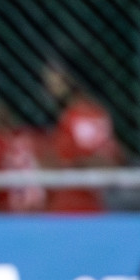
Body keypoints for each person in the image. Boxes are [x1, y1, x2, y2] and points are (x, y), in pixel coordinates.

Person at [41, 62, 121, 213]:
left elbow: (101, 160)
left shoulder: (81, 115)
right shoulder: (83, 113)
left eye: (53, 78)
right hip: (72, 204)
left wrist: (66, 162)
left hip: (77, 206)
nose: (49, 85)